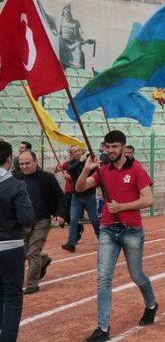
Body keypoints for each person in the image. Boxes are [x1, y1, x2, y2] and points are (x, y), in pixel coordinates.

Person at [76, 131, 158, 341]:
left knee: (137, 275)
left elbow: (148, 199)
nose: (110, 150)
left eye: (115, 146)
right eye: (107, 147)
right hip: (108, 230)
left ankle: (151, 304)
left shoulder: (136, 169)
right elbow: (80, 188)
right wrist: (85, 171)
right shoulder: (102, 170)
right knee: (103, 278)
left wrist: (122, 206)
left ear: (123, 147)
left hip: (131, 230)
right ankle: (103, 328)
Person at [13, 151, 65, 294]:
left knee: (33, 252)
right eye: (22, 164)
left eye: (27, 163)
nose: (24, 166)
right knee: (22, 252)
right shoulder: (15, 178)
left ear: (35, 162)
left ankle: (32, 284)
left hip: (41, 220)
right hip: (22, 222)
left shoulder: (47, 178)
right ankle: (43, 259)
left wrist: (60, 214)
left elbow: (60, 197)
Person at [0, 141, 35, 342]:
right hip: (11, 246)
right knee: (13, 297)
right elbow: (27, 219)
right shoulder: (16, 185)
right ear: (9, 159)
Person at [61, 147, 100, 253]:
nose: (77, 153)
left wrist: (92, 160)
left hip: (89, 196)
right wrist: (80, 161)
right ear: (72, 154)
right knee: (73, 220)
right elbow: (70, 169)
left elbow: (96, 170)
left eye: (78, 150)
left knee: (94, 220)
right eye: (75, 152)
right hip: (76, 197)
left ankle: (102, 239)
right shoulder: (72, 164)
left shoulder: (89, 161)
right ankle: (71, 243)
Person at [55, 147, 85, 244]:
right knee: (66, 213)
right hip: (68, 191)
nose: (76, 153)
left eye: (78, 151)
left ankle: (75, 234)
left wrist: (70, 177)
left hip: (76, 191)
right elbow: (56, 170)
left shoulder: (82, 164)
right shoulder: (68, 163)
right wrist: (60, 165)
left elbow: (82, 178)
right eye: (73, 152)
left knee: (71, 214)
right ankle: (78, 228)